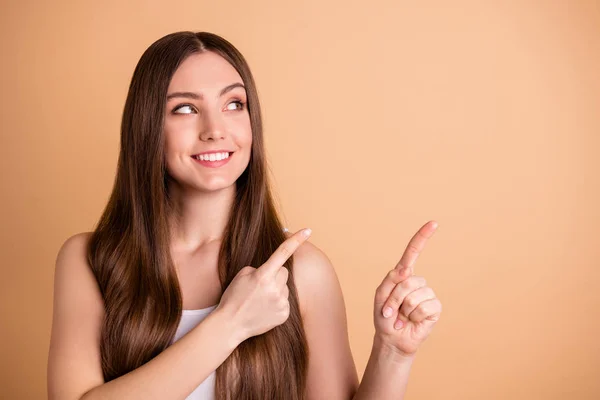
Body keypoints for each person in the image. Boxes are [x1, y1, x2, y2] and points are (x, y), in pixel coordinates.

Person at [47, 31, 442, 400]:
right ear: (147, 127)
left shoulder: (301, 271)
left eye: (234, 104)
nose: (215, 129)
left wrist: (393, 352)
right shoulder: (90, 259)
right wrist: (231, 323)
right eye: (184, 109)